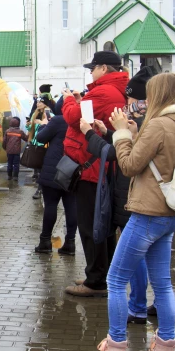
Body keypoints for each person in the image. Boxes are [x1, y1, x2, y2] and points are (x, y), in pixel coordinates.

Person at [82, 73, 175, 351]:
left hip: (147, 215)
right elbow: (159, 160)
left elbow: (128, 165)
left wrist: (121, 134)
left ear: (157, 95)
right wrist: (132, 131)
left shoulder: (158, 124)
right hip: (168, 215)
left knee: (115, 280)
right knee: (163, 284)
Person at [79, 66, 155, 323]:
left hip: (134, 196)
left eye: (132, 100)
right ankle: (143, 306)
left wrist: (89, 133)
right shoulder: (147, 121)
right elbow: (125, 145)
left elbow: (121, 156)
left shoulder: (146, 124)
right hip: (138, 196)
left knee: (130, 261)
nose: (128, 104)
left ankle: (135, 309)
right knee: (149, 259)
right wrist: (109, 132)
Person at [61, 51, 128, 297]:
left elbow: (72, 117)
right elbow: (87, 113)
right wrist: (81, 100)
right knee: (102, 225)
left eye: (93, 68)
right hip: (99, 166)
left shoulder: (104, 91)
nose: (90, 72)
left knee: (91, 226)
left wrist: (68, 100)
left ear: (103, 68)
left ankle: (96, 281)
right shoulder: (111, 90)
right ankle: (100, 273)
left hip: (92, 170)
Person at [34, 95, 77, 255]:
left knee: (51, 205)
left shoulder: (58, 120)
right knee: (71, 206)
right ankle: (70, 243)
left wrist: (44, 125)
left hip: (54, 169)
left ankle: (45, 242)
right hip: (74, 169)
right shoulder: (81, 120)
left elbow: (40, 138)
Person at [2, 117, 28, 181]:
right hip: (17, 151)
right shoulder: (20, 132)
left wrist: (5, 148)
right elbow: (26, 139)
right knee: (16, 164)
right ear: (18, 124)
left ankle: (9, 176)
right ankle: (15, 177)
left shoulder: (7, 131)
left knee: (9, 163)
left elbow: (4, 141)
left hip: (9, 151)